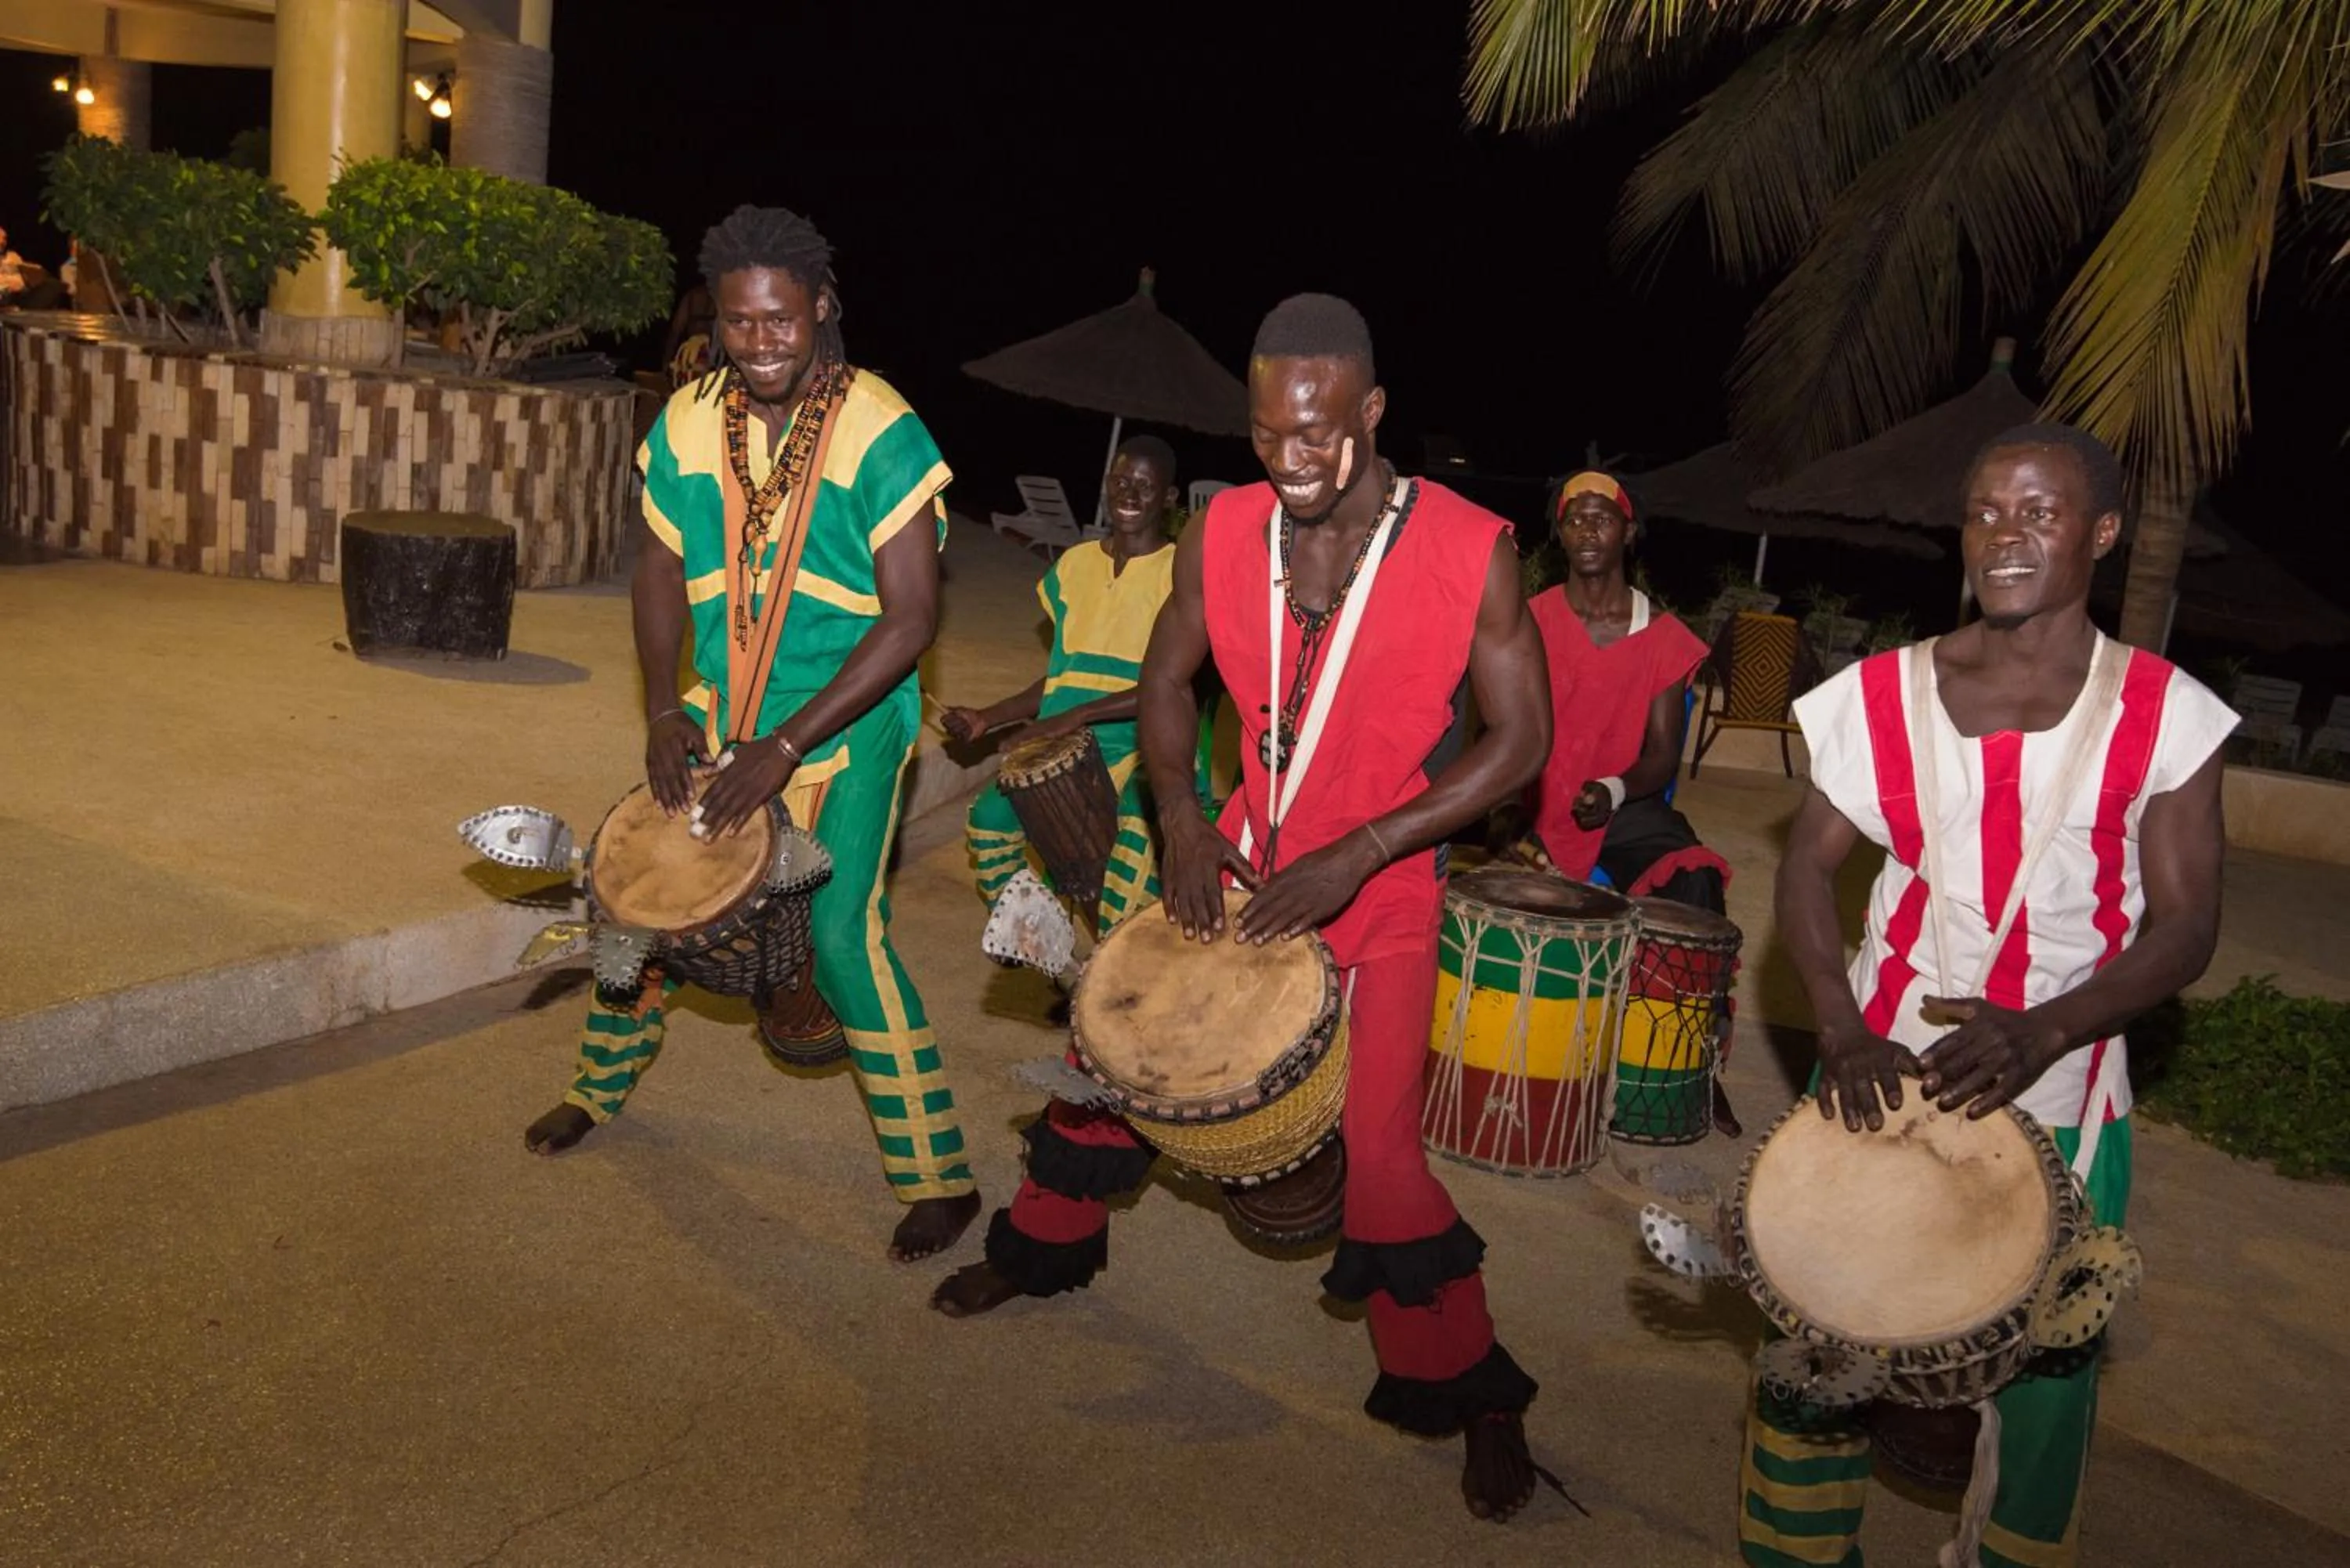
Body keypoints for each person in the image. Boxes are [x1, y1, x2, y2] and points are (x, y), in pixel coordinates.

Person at [935, 294, 1564, 1523]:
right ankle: (1041, 1249)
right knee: (1112, 1058)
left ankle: (1475, 1391)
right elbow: (1164, 678)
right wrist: (1178, 813)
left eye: (1322, 434)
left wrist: (1368, 847)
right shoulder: (1224, 528)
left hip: (1379, 892)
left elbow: (1524, 741)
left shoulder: (1471, 546)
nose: (1296, 460)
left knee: (1383, 1160)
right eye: (1273, 434)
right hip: (1238, 860)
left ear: (1374, 412)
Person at [1748, 424, 2236, 1568]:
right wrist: (1840, 1024)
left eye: (2040, 512)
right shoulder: (1882, 694)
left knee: (2047, 1375)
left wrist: (2051, 1026)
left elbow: (2189, 926)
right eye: (1983, 512)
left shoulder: (2168, 714)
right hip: (1876, 1071)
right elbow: (1807, 868)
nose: (2004, 535)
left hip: (2062, 1088)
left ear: (2104, 534)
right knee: (1822, 1343)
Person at [522, 204, 982, 1264]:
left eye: (782, 319)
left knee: (841, 937)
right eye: (740, 323)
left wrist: (784, 748)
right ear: (717, 321)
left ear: (820, 309)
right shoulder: (685, 422)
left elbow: (912, 619)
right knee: (647, 903)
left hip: (852, 728)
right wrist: (663, 704)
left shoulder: (877, 422)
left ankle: (940, 1176)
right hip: (728, 721)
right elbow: (655, 569)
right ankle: (596, 1090)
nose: (763, 342)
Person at [1520, 471, 1741, 1132]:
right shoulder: (1531, 621)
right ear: (1559, 534)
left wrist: (1612, 789)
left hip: (1622, 803)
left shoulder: (1662, 636)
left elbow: (1661, 757)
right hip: (1537, 792)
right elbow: (1507, 730)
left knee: (1697, 875)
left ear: (1630, 532)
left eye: (1603, 517)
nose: (1588, 529)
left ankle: (1691, 1065)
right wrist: (1511, 818)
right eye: (1574, 518)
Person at [941, 434, 1185, 934]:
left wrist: (1073, 717)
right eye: (1120, 481)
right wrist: (989, 718)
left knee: (1129, 900)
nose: (1130, 494)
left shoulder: (1179, 574)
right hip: (1058, 746)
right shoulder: (1073, 567)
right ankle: (1050, 954)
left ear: (1169, 498)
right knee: (988, 829)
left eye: (1145, 485)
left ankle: (1121, 987)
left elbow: (1172, 686)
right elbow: (1064, 675)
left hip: (1139, 755)